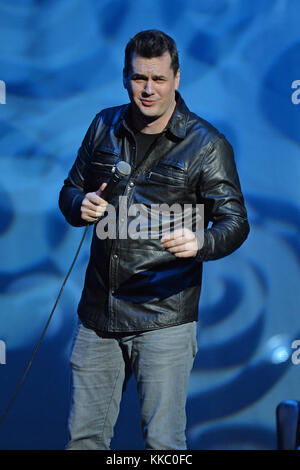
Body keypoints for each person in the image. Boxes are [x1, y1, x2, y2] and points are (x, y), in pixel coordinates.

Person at [59, 29, 250, 450]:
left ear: (177, 78)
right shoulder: (103, 125)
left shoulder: (206, 144)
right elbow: (70, 189)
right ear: (125, 77)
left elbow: (235, 222)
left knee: (163, 446)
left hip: (164, 315)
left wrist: (201, 242)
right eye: (139, 78)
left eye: (159, 79)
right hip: (98, 315)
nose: (148, 90)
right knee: (83, 441)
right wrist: (80, 204)